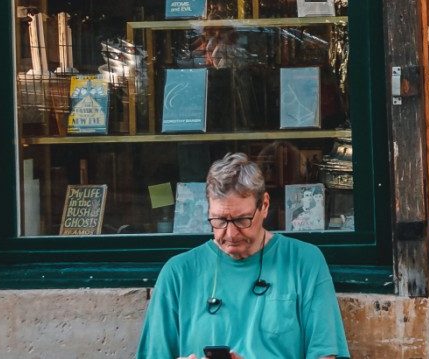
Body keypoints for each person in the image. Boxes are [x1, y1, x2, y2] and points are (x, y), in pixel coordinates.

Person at [136, 153, 349, 359]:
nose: (230, 234)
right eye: (219, 220)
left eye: (241, 220)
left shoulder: (304, 262)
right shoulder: (178, 273)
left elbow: (324, 353)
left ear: (264, 205)